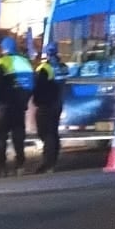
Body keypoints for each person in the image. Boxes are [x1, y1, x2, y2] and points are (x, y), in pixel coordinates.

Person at [0, 35, 35, 176]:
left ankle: (2, 167)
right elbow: (31, 84)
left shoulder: (0, 63)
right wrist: (24, 100)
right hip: (19, 105)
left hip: (3, 105)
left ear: (3, 49)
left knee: (0, 137)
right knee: (18, 136)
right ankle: (20, 165)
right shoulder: (25, 62)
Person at [32, 45, 68, 173]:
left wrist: (36, 101)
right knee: (53, 132)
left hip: (46, 104)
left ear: (46, 53)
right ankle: (52, 161)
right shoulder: (64, 67)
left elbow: (39, 87)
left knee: (45, 133)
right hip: (58, 103)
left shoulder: (44, 68)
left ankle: (48, 162)